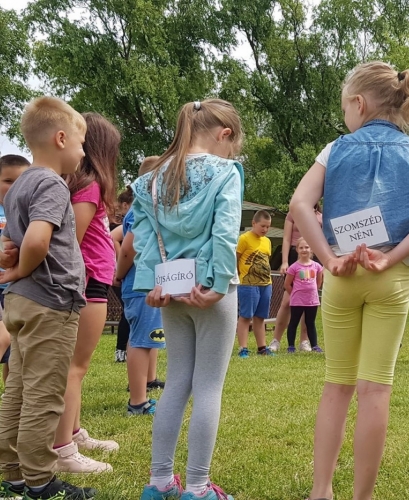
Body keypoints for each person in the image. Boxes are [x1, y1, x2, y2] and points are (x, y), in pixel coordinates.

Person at [289, 61, 409, 500]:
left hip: (341, 274)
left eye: (345, 106)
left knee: (336, 385)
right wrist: (393, 256)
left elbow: (300, 204)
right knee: (375, 389)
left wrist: (327, 258)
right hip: (390, 275)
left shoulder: (335, 149)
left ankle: (321, 491)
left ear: (358, 103)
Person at [133, 99, 243, 500]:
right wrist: (219, 283)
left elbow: (144, 238)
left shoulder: (150, 179)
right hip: (212, 289)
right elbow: (225, 231)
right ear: (224, 134)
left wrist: (151, 285)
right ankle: (197, 488)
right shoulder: (226, 172)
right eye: (233, 145)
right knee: (208, 386)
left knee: (177, 380)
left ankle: (159, 482)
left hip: (170, 289)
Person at [0, 96, 93, 499]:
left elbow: (8, 243)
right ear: (60, 139)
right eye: (81, 143)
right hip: (49, 303)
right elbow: (37, 240)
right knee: (44, 394)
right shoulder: (52, 184)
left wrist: (12, 266)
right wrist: (21, 268)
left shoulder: (18, 185)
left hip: (20, 304)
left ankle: (12, 471)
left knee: (18, 389)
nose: (83, 152)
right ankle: (40, 480)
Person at [52, 112, 120, 474]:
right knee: (74, 368)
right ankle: (63, 450)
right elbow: (72, 241)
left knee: (78, 366)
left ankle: (74, 433)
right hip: (87, 283)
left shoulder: (83, 185)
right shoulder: (90, 185)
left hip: (92, 281)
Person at [115, 157, 166, 416]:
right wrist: (119, 273)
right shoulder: (140, 210)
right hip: (139, 286)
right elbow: (128, 248)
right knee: (139, 341)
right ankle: (137, 402)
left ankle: (146, 383)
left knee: (148, 337)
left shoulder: (147, 209)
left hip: (148, 285)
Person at [269, 204, 322, 352]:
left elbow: (324, 240)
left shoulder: (320, 217)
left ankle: (304, 341)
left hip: (313, 257)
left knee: (308, 303)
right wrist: (285, 261)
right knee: (286, 302)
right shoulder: (293, 214)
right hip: (295, 257)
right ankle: (276, 339)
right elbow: (286, 239)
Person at [0, 155, 30, 387]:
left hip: (16, 287)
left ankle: (11, 395)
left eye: (20, 181)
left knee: (15, 348)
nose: (13, 187)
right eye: (8, 181)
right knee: (3, 338)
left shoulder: (27, 210)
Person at [236, 210, 274, 357]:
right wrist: (238, 276)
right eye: (262, 226)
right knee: (245, 316)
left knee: (260, 317)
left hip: (265, 283)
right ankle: (243, 348)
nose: (265, 229)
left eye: (267, 227)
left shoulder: (267, 241)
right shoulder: (244, 239)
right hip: (248, 284)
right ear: (254, 223)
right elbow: (236, 258)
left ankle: (262, 347)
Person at [284, 238, 323, 353]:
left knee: (310, 323)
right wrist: (295, 293)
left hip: (312, 300)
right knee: (294, 322)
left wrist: (312, 291)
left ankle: (314, 345)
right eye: (301, 247)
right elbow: (287, 284)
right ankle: (291, 346)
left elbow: (319, 282)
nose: (304, 250)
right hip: (297, 301)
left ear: (311, 249)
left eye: (306, 247)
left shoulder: (317, 266)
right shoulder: (294, 267)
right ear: (297, 249)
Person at [113, 185, 135, 363]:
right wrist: (120, 263)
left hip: (126, 272)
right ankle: (121, 351)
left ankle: (124, 350)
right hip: (124, 274)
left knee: (129, 313)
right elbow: (112, 236)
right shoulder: (131, 219)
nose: (120, 213)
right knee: (127, 314)